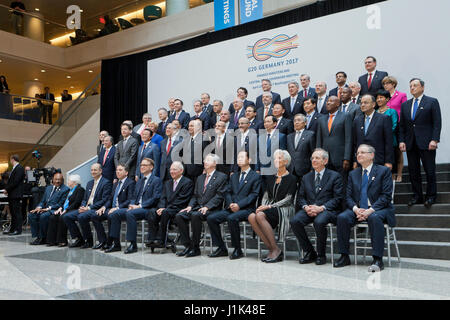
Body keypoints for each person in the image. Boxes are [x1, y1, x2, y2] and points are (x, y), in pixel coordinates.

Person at [335, 144, 395, 271]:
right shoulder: (353, 174)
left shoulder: (383, 171)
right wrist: (356, 209)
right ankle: (344, 256)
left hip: (378, 209)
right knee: (342, 217)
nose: (359, 155)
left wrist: (370, 210)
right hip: (359, 209)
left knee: (374, 218)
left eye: (362, 152)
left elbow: (386, 196)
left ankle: (377, 259)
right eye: (357, 153)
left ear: (371, 155)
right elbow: (348, 196)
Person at [290, 149, 343, 265]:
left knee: (319, 222)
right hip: (309, 209)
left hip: (327, 210)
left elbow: (338, 198)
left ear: (325, 161)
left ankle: (321, 254)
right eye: (312, 158)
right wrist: (305, 207)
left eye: (317, 158)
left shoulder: (335, 176)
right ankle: (310, 252)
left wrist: (321, 208)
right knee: (295, 221)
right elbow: (300, 197)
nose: (314, 160)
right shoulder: (306, 177)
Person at [207, 151, 261, 259]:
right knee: (211, 218)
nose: (239, 159)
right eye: (238, 157)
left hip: (246, 209)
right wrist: (231, 203)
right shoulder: (234, 176)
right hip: (232, 207)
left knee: (232, 218)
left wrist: (239, 205)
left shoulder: (255, 176)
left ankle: (237, 249)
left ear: (249, 160)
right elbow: (227, 192)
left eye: (242, 157)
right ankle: (222, 248)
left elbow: (254, 195)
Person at [399, 78, 442, 208]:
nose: (412, 88)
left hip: (427, 142)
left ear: (422, 87)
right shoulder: (405, 105)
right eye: (411, 85)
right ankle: (417, 196)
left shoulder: (432, 102)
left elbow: (437, 123)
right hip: (411, 143)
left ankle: (431, 196)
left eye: (415, 85)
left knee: (429, 171)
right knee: (413, 172)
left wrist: (435, 139)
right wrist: (402, 140)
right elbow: (402, 126)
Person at [175, 154, 228, 258]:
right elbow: (195, 195)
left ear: (215, 163)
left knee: (195, 215)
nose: (205, 162)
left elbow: (220, 196)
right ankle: (188, 245)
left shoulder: (222, 177)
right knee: (179, 216)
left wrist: (207, 206)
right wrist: (190, 205)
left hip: (212, 209)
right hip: (197, 207)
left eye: (208, 160)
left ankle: (195, 248)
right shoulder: (200, 177)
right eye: (205, 160)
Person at [248, 150, 297, 263]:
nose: (276, 160)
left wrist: (269, 207)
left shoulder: (292, 178)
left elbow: (288, 199)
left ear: (285, 161)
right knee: (252, 216)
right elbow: (266, 196)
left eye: (279, 158)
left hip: (285, 209)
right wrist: (262, 206)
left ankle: (275, 250)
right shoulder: (270, 177)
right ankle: (272, 249)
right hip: (270, 208)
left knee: (260, 215)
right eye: (275, 158)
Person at [63, 163, 112, 248]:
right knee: (67, 216)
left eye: (95, 170)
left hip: (96, 208)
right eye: (92, 170)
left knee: (82, 217)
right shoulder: (89, 183)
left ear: (100, 171)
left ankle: (89, 241)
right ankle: (79, 239)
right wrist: (83, 206)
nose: (93, 172)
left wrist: (88, 208)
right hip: (86, 208)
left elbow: (104, 200)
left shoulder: (106, 182)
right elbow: (85, 198)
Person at [146, 162, 193, 250]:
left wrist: (165, 208)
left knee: (165, 212)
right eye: (170, 169)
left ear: (181, 171)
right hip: (166, 208)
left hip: (178, 208)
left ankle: (161, 240)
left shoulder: (187, 182)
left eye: (174, 169)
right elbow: (163, 197)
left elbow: (182, 200)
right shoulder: (167, 183)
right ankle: (152, 239)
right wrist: (161, 207)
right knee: (152, 212)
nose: (171, 171)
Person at [123, 158, 162, 254]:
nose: (142, 167)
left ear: (151, 167)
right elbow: (134, 196)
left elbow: (155, 198)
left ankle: (133, 244)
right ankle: (112, 241)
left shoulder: (156, 180)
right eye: (141, 165)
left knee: (130, 214)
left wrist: (140, 206)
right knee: (117, 213)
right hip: (136, 208)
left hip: (148, 209)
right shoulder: (139, 181)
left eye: (145, 165)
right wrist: (132, 204)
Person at [94, 164, 135, 252]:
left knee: (112, 215)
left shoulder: (130, 183)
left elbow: (130, 200)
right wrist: (104, 207)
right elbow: (110, 198)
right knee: (95, 215)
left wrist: (117, 208)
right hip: (111, 209)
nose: (117, 172)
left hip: (122, 209)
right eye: (117, 170)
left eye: (120, 170)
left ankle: (115, 243)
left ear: (126, 172)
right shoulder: (116, 183)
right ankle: (103, 241)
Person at [353, 95, 393, 169]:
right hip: (361, 161)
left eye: (365, 103)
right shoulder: (357, 120)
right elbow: (355, 143)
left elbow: (389, 142)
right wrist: (355, 160)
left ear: (373, 104)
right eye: (361, 103)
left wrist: (388, 161)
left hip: (378, 160)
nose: (362, 105)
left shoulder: (384, 118)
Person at [28, 172, 69, 245]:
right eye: (56, 179)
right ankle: (37, 236)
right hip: (44, 209)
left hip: (54, 210)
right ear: (52, 179)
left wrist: (47, 209)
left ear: (62, 180)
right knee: (31, 215)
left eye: (59, 179)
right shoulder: (48, 188)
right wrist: (39, 207)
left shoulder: (65, 189)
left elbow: (60, 204)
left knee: (43, 216)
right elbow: (43, 200)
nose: (57, 181)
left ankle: (43, 238)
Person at [316, 96, 352, 177]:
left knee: (341, 182)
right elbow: (319, 139)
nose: (328, 103)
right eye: (327, 101)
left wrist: (347, 158)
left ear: (338, 104)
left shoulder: (345, 116)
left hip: (340, 157)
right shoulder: (321, 119)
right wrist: (318, 156)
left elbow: (348, 138)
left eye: (331, 101)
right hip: (324, 158)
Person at [46, 175, 84, 247]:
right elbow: (65, 201)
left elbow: (76, 203)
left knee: (62, 217)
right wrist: (60, 208)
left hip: (73, 209)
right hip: (65, 209)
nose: (68, 182)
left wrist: (66, 210)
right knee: (53, 217)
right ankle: (52, 240)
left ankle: (62, 241)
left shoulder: (80, 189)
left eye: (69, 180)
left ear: (74, 182)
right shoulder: (70, 190)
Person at [383, 76, 407, 182]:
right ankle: (392, 173)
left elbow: (404, 110)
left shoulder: (401, 95)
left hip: (398, 126)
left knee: (398, 151)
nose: (385, 85)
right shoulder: (384, 97)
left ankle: (400, 174)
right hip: (387, 127)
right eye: (384, 84)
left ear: (393, 84)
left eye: (387, 83)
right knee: (390, 151)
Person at [376, 90, 399, 179]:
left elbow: (394, 125)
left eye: (381, 97)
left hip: (389, 142)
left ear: (387, 99)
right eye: (377, 98)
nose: (378, 100)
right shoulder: (375, 112)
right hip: (377, 144)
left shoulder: (392, 112)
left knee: (390, 168)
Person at [287, 114, 315, 182]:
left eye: (299, 120)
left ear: (305, 123)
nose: (296, 122)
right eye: (295, 121)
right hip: (291, 169)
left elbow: (313, 153)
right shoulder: (289, 136)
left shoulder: (310, 134)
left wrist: (312, 169)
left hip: (305, 170)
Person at [2, 155, 25, 235]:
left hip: (16, 194)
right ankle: (12, 229)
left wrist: (7, 189)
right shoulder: (15, 168)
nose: (10, 161)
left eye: (10, 160)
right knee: (13, 212)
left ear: (13, 159)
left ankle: (18, 230)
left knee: (16, 212)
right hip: (12, 194)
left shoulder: (19, 168)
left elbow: (16, 181)